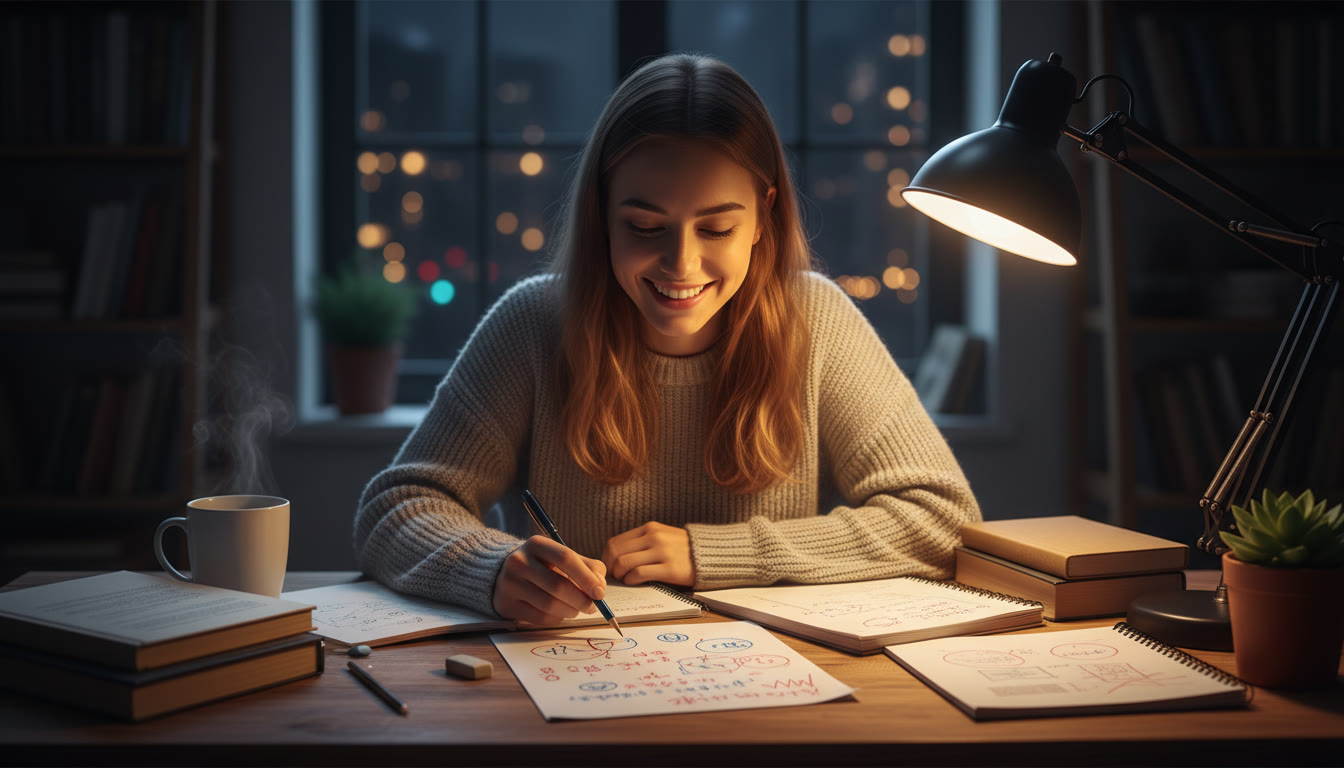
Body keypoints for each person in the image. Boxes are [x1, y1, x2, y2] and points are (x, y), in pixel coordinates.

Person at [354, 52, 981, 627]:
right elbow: (397, 507)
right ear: (603, 215)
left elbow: (944, 520)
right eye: (645, 226)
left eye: (715, 228)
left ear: (762, 216)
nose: (680, 264)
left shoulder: (816, 320)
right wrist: (490, 569)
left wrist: (712, 553)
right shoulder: (534, 323)